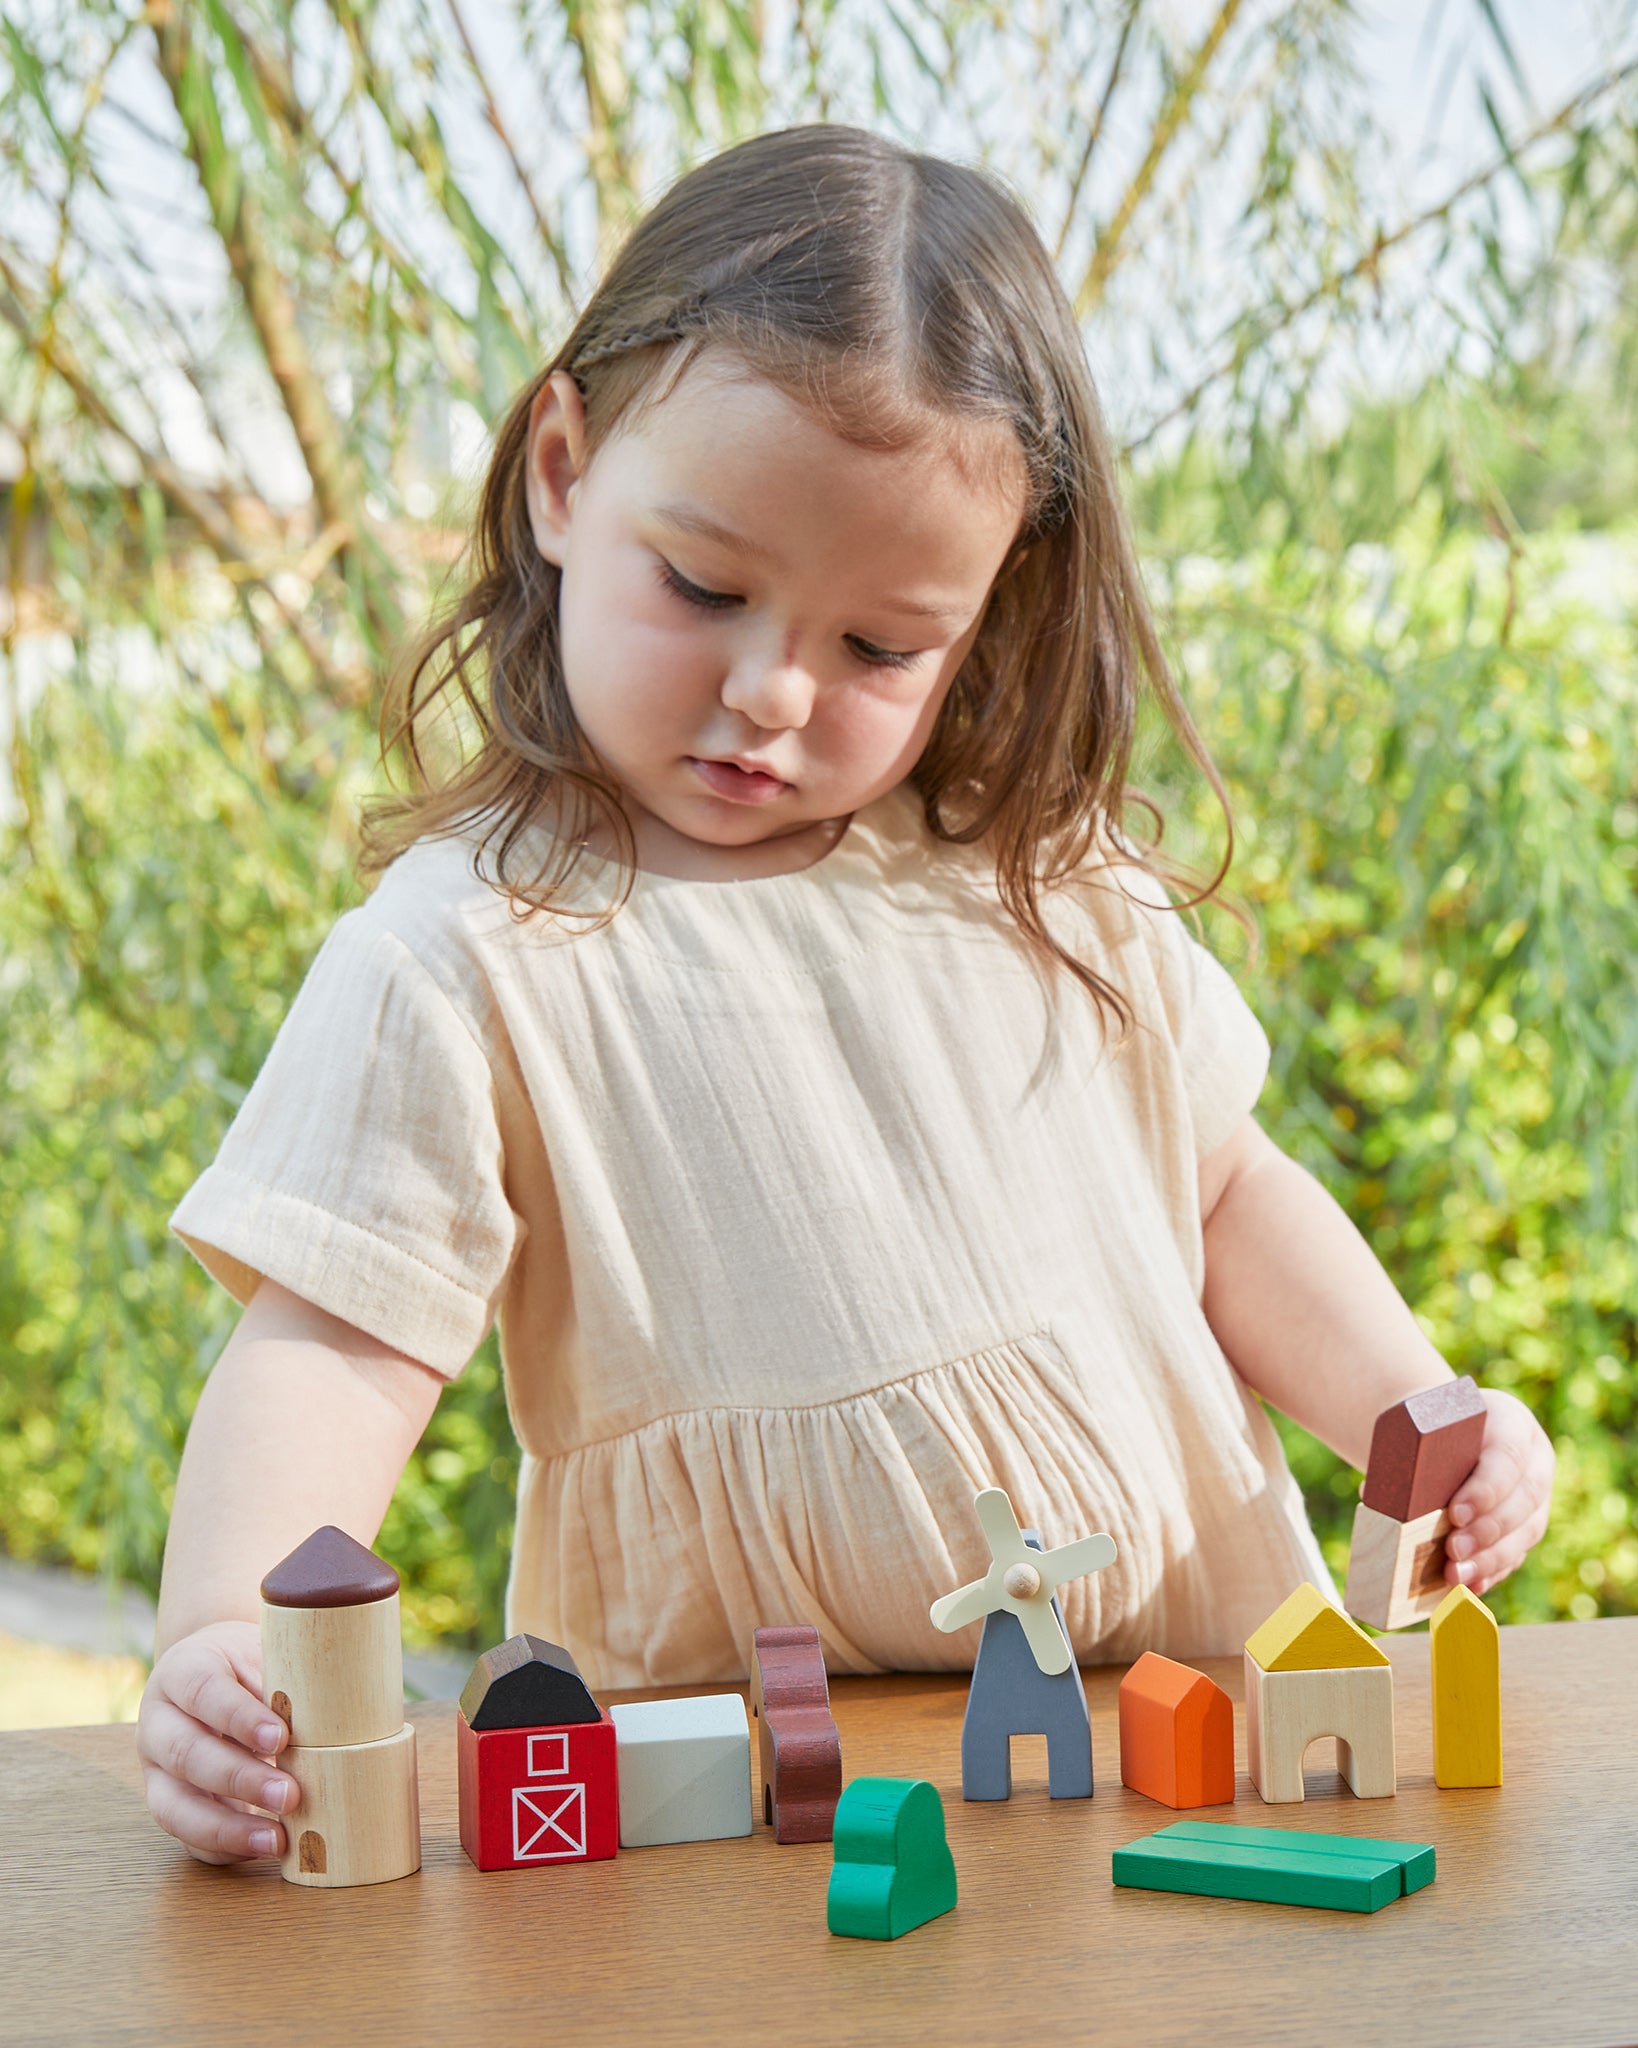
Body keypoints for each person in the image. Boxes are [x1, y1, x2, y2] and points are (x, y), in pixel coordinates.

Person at [136, 123, 1554, 1866]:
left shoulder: (1039, 875)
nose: (772, 692)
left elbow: (1226, 1195)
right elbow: (338, 1341)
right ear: (564, 472)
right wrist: (224, 1643)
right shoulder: (469, 950)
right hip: (745, 1802)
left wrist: (1419, 1412)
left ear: (984, 613)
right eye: (707, 588)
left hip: (1173, 1724)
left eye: (880, 645)